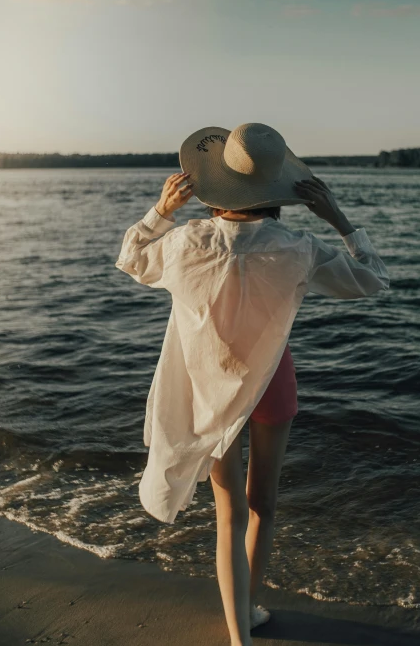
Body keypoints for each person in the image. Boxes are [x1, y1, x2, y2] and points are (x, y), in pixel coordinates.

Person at [115, 122, 390, 646]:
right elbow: (373, 280)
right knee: (262, 503)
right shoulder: (299, 247)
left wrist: (161, 210)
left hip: (212, 389)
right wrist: (339, 220)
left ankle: (239, 635)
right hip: (272, 383)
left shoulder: (185, 242)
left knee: (229, 515)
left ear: (218, 190)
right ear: (277, 194)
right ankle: (249, 607)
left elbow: (130, 257)